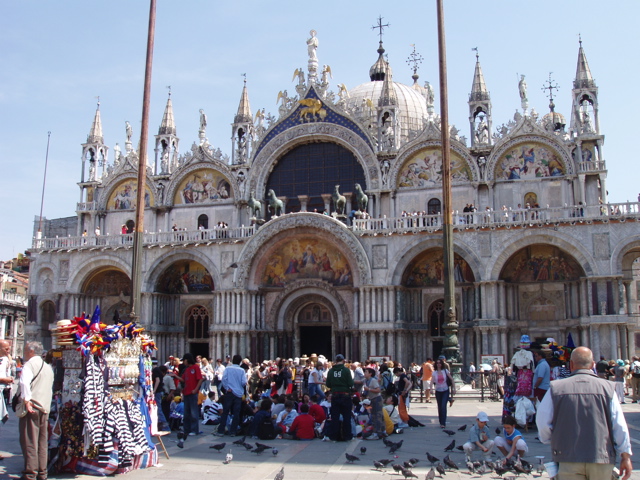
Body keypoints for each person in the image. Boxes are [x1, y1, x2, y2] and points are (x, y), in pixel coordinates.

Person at [537, 346, 633, 480]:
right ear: (593, 365)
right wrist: (625, 456)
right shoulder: (608, 388)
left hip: (567, 457)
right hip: (601, 458)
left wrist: (550, 439)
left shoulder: (555, 388)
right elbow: (619, 425)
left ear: (570, 364)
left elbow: (542, 422)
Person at [17, 341, 54, 480]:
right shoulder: (47, 366)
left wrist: (26, 400)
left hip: (32, 407)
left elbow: (24, 382)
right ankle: (42, 472)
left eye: (26, 350)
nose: (24, 353)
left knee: (29, 441)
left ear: (31, 351)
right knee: (42, 442)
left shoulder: (30, 365)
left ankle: (30, 474)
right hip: (44, 408)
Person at [214, 354, 247, 437]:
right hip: (238, 394)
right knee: (236, 412)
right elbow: (244, 382)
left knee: (225, 411)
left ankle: (221, 430)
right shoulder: (242, 370)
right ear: (240, 361)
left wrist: (227, 387)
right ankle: (233, 431)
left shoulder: (228, 368)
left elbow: (224, 379)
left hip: (229, 392)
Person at [175, 353, 203, 447]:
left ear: (188, 360)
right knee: (186, 413)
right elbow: (183, 380)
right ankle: (187, 430)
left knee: (194, 412)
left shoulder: (196, 368)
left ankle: (194, 430)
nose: (183, 362)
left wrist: (196, 389)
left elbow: (200, 379)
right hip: (186, 393)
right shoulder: (186, 370)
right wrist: (175, 376)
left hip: (193, 393)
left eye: (185, 360)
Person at [325, 354, 354, 441]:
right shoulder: (346, 370)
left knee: (335, 417)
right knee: (347, 417)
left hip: (335, 395)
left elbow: (328, 384)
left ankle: (334, 436)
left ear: (336, 361)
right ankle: (347, 436)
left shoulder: (331, 371)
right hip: (345, 395)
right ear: (343, 360)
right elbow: (350, 384)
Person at [362, 367, 384, 440]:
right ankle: (381, 431)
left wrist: (369, 389)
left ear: (370, 374)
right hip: (372, 399)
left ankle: (377, 433)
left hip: (377, 399)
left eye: (366, 372)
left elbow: (378, 390)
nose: (364, 374)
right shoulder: (366, 380)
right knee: (374, 416)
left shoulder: (373, 380)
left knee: (377, 416)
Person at [432, 356, 455, 428]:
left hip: (445, 390)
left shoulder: (445, 371)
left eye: (440, 363)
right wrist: (431, 388)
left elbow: (451, 379)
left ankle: (443, 423)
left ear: (442, 364)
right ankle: (441, 421)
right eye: (437, 363)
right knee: (439, 406)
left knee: (443, 406)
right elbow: (432, 381)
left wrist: (454, 388)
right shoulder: (434, 373)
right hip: (438, 390)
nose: (439, 364)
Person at [152, 365, 170, 431]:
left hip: (157, 392)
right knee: (158, 408)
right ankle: (161, 425)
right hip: (159, 391)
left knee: (158, 409)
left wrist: (154, 390)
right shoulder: (158, 371)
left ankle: (165, 426)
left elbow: (157, 380)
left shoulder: (155, 370)